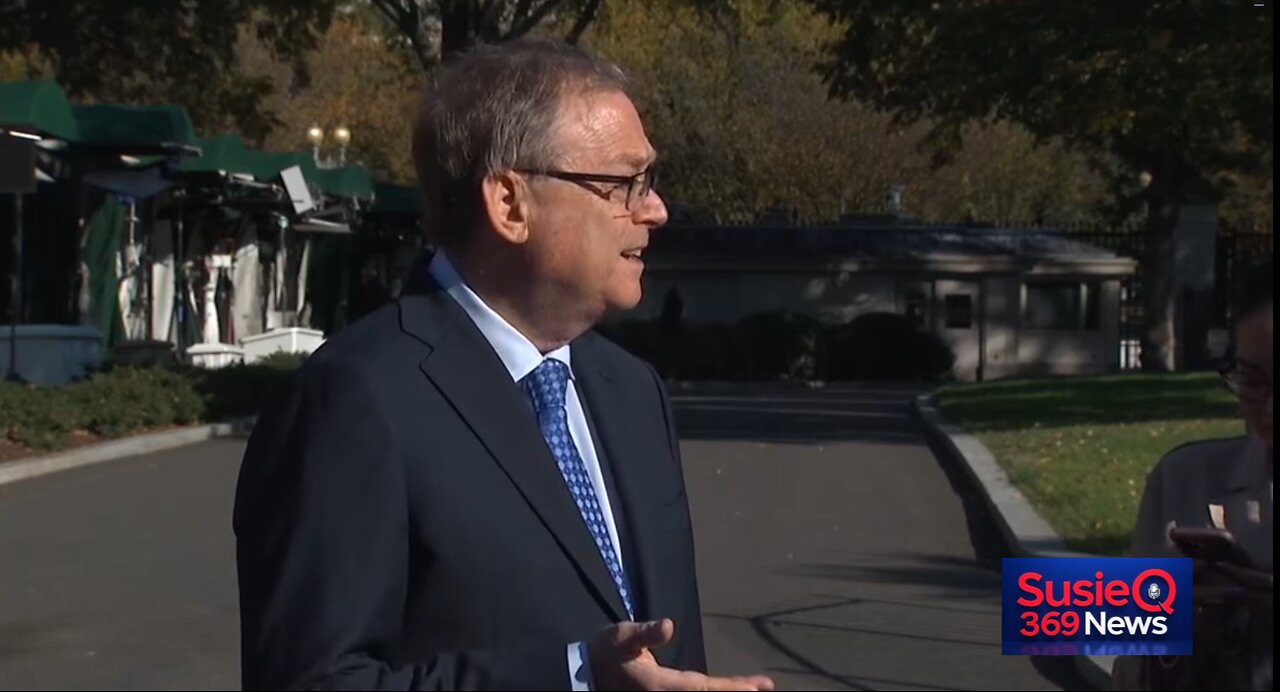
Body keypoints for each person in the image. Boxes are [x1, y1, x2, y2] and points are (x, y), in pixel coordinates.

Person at [232, 39, 774, 692]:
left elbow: (663, 651)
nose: (654, 210)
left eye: (649, 182)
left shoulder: (632, 391)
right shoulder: (355, 400)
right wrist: (570, 677)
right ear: (511, 204)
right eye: (623, 184)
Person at [1112, 260, 1273, 690]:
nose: (1268, 409)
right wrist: (1156, 607)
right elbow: (1120, 653)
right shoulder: (1184, 477)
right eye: (1252, 380)